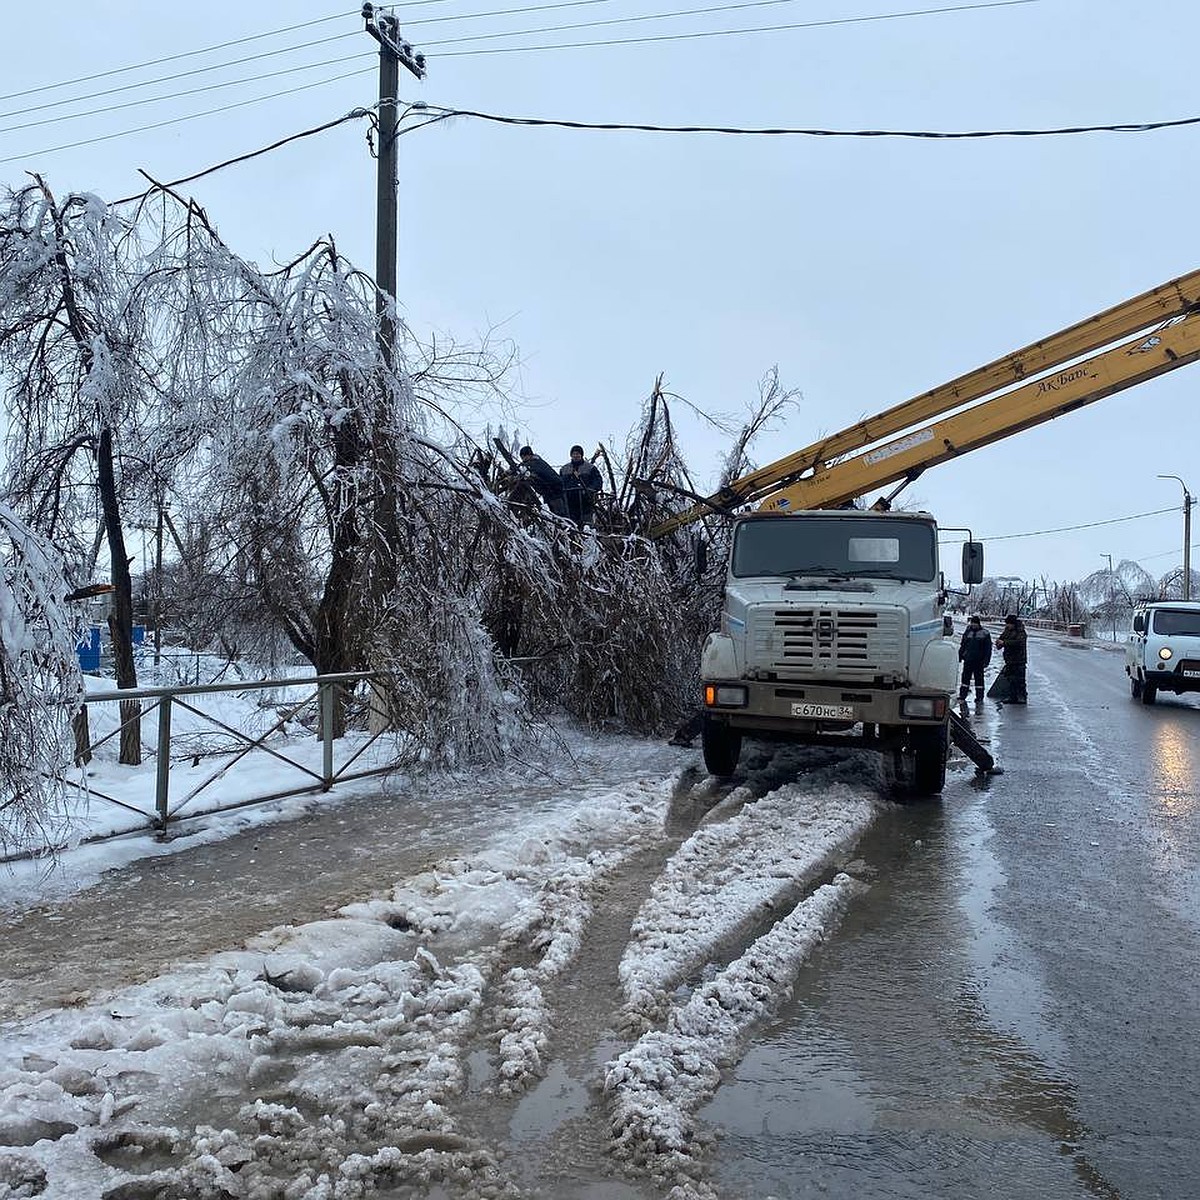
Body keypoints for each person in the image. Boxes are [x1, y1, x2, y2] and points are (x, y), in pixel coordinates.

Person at [559, 444, 603, 528]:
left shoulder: (590, 468)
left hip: (585, 502)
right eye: (574, 454)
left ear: (581, 455)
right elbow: (560, 483)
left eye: (578, 454)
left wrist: (589, 490)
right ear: (571, 455)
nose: (576, 455)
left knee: (587, 526)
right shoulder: (564, 469)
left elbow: (598, 482)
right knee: (571, 526)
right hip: (569, 503)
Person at [518, 446, 566, 516]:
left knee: (558, 514)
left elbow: (525, 468)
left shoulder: (535, 463)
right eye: (522, 457)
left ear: (529, 455)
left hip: (554, 491)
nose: (523, 459)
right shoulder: (535, 463)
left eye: (524, 456)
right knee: (552, 513)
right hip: (548, 492)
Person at [995, 613, 1028, 704]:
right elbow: (1001, 638)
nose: (1007, 625)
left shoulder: (1020, 631)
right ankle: (1012, 696)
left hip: (1019, 659)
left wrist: (1004, 642)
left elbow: (1019, 642)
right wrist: (999, 642)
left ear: (1012, 623)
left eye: (1008, 624)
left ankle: (1022, 696)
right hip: (1009, 659)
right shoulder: (1007, 631)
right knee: (1010, 679)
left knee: (1020, 679)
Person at [958, 615, 992, 703]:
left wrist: (986, 661)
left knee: (979, 679)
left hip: (979, 661)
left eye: (975, 623)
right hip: (968, 659)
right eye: (972, 623)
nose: (973, 625)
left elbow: (988, 649)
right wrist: (960, 655)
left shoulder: (985, 633)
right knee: (965, 679)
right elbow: (963, 645)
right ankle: (962, 695)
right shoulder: (968, 632)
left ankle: (979, 697)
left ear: (978, 623)